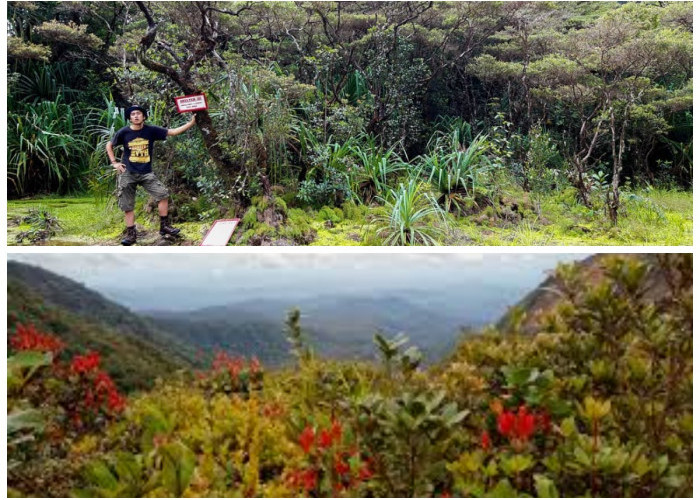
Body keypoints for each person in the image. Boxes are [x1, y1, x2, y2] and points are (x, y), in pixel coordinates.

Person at [106, 105, 197, 245]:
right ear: (130, 118)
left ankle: (164, 226)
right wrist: (114, 163)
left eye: (139, 114)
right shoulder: (124, 132)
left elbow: (172, 132)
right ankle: (131, 235)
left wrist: (191, 123)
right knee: (127, 206)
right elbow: (109, 145)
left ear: (143, 116)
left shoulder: (151, 130)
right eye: (133, 114)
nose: (136, 116)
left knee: (163, 194)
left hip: (146, 172)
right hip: (127, 173)